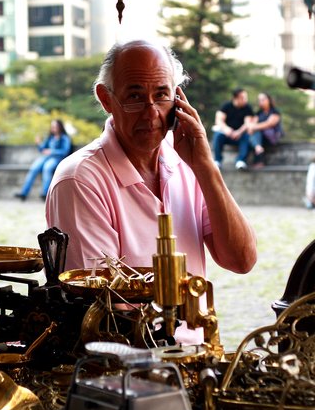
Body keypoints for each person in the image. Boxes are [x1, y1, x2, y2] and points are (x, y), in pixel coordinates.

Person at [46, 40, 257, 345]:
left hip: (196, 353)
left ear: (178, 98)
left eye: (161, 95)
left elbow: (241, 260)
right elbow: (103, 313)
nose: (151, 113)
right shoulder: (81, 179)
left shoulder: (186, 162)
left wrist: (206, 167)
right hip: (129, 364)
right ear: (106, 99)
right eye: (134, 97)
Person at [15, 119, 72, 202]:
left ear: (60, 127)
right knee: (34, 168)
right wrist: (38, 143)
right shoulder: (50, 137)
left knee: (47, 168)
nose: (53, 128)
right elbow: (42, 149)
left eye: (55, 126)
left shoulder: (64, 138)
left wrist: (51, 151)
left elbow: (65, 151)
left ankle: (45, 194)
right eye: (52, 126)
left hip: (56, 158)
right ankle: (24, 193)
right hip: (46, 157)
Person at [212, 88, 254, 170]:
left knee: (246, 137)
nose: (245, 100)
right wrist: (226, 129)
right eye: (243, 97)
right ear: (236, 98)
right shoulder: (226, 106)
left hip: (240, 135)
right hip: (226, 134)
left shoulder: (248, 108)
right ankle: (217, 160)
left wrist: (239, 132)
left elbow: (247, 123)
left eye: (245, 97)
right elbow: (219, 120)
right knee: (217, 135)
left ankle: (240, 161)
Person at [247, 92, 283, 168]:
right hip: (260, 138)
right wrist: (252, 128)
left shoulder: (275, 111)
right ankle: (258, 148)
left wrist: (254, 127)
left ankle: (258, 151)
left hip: (272, 137)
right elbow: (252, 124)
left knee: (256, 133)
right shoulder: (259, 113)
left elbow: (269, 123)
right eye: (259, 100)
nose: (261, 102)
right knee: (255, 135)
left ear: (269, 100)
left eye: (263, 99)